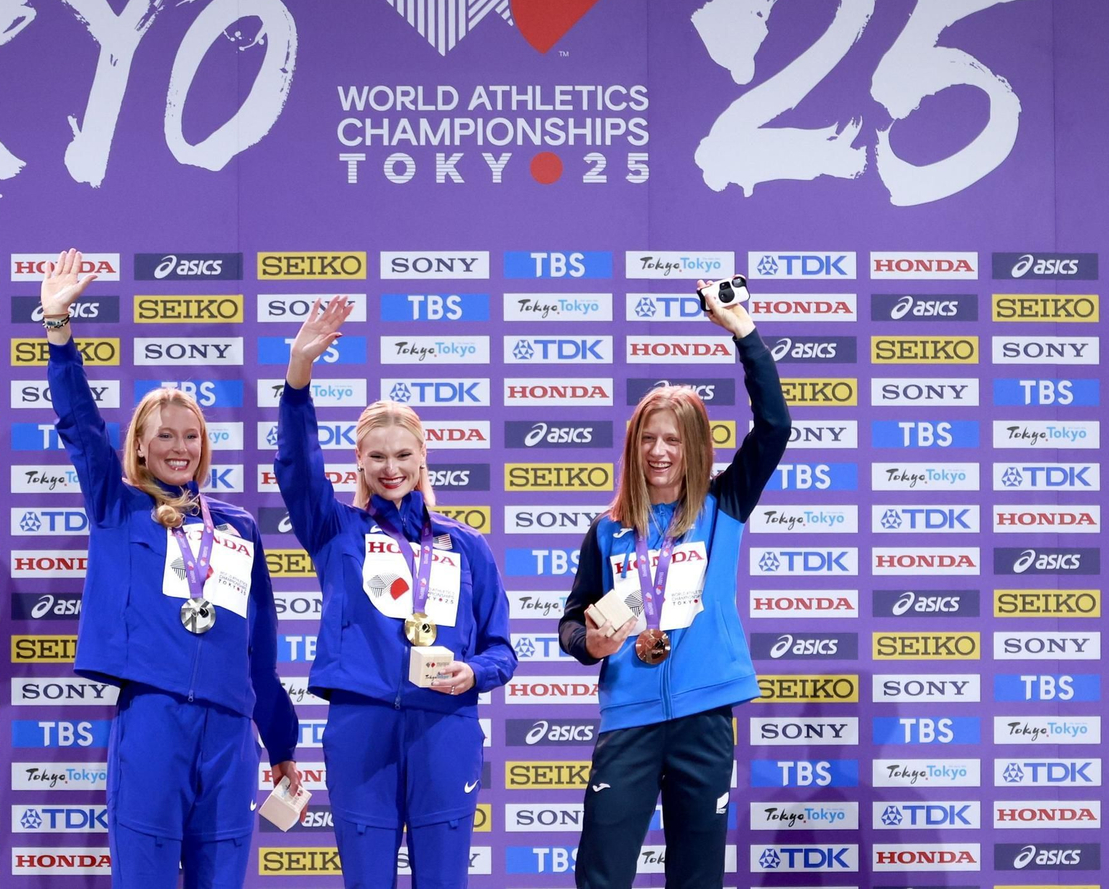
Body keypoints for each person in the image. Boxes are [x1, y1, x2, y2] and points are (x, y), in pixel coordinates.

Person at [39, 249, 299, 889]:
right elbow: (78, 424)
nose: (180, 448)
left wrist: (283, 742)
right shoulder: (116, 505)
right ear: (139, 446)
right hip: (154, 718)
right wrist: (58, 329)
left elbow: (257, 646)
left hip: (231, 731)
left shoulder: (235, 528)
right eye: (165, 437)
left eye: (191, 436)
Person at [274, 296, 516, 889]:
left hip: (446, 727)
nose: (391, 468)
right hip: (362, 727)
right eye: (377, 456)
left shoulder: (467, 546)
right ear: (358, 461)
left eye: (403, 455)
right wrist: (298, 379)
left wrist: (474, 674)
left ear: (423, 459)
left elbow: (502, 650)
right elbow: (297, 468)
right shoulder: (335, 531)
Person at [557, 280, 791, 889]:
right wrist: (593, 644)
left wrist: (744, 334)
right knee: (600, 877)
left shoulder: (726, 504)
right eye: (648, 438)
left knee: (696, 878)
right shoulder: (607, 531)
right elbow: (572, 624)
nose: (659, 452)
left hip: (704, 713)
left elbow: (774, 427)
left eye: (673, 440)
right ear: (633, 445)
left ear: (694, 448)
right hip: (629, 717)